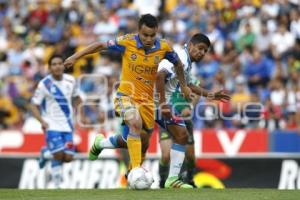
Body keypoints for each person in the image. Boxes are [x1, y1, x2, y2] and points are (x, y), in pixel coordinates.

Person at [63, 14, 192, 178]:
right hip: (126, 95)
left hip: (147, 101)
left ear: (156, 33)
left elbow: (178, 64)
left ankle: (101, 144)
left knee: (140, 141)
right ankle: (137, 171)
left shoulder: (164, 47)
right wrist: (75, 57)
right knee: (135, 124)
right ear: (139, 31)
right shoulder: (127, 41)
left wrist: (184, 85)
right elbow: (101, 45)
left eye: (152, 35)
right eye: (145, 35)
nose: (148, 39)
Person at [155, 33, 230, 188]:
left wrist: (211, 95)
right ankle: (168, 179)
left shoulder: (187, 62)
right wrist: (163, 104)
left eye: (205, 51)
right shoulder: (180, 58)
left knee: (182, 136)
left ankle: (173, 179)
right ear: (190, 45)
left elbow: (190, 86)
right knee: (137, 138)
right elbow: (160, 75)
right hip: (155, 103)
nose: (202, 53)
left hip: (161, 105)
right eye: (200, 48)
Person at [30, 54, 82, 188]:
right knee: (59, 154)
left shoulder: (71, 80)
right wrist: (42, 121)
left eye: (60, 63)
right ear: (49, 68)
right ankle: (57, 182)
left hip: (68, 124)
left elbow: (76, 98)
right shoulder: (44, 84)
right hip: (51, 124)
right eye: (54, 64)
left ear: (63, 66)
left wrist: (80, 107)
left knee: (68, 157)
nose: (57, 66)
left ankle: (45, 151)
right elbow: (34, 105)